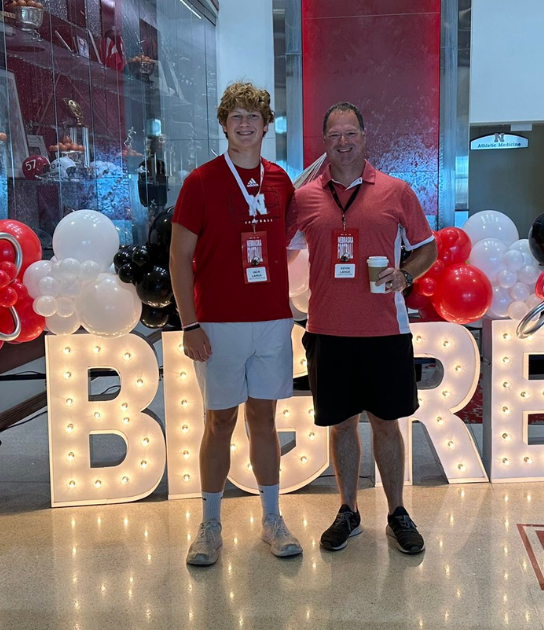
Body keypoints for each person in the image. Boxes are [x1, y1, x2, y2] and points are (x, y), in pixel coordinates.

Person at [287, 102, 437, 554]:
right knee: (340, 427)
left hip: (385, 332)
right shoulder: (305, 198)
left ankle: (396, 512)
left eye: (351, 133)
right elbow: (278, 250)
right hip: (328, 332)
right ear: (325, 142)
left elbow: (427, 249)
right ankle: (348, 510)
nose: (343, 142)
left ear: (365, 137)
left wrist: (406, 275)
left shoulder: (397, 192)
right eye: (334, 135)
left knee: (387, 424)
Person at [170, 82, 302, 566]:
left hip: (270, 319)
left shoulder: (280, 181)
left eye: (253, 116)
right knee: (219, 421)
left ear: (267, 125)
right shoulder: (201, 182)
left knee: (265, 419)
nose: (244, 124)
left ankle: (272, 519)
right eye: (235, 116)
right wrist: (189, 324)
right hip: (218, 321)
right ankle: (209, 526)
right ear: (223, 124)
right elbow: (179, 258)